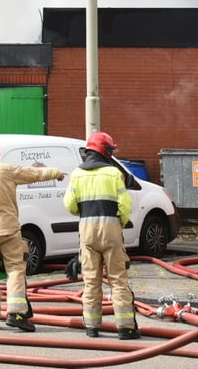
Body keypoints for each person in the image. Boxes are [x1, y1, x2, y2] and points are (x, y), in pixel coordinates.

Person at [0, 138, 66, 332]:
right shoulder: (6, 170)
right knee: (16, 270)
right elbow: (32, 173)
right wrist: (55, 173)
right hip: (8, 230)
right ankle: (16, 314)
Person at [63, 131, 139, 340]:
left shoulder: (77, 173)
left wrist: (86, 213)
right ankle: (125, 328)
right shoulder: (114, 174)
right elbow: (125, 205)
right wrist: (119, 222)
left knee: (91, 281)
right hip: (111, 230)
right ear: (105, 151)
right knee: (118, 280)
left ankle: (92, 326)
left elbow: (69, 204)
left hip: (87, 232)